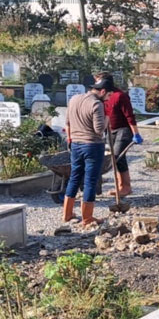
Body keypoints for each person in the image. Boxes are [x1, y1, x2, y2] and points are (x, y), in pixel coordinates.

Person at [63, 79, 109, 225]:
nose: (108, 98)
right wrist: (107, 118)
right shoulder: (96, 104)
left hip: (76, 144)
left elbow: (68, 122)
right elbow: (99, 130)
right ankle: (87, 218)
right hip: (92, 146)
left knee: (74, 178)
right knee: (90, 181)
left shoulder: (74, 99)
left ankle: (67, 214)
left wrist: (70, 139)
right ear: (102, 91)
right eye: (108, 95)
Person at [98, 73, 143, 197]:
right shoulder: (102, 96)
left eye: (98, 82)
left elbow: (130, 116)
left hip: (123, 130)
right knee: (113, 157)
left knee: (118, 156)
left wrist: (136, 133)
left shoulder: (120, 96)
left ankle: (126, 186)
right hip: (110, 129)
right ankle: (119, 186)